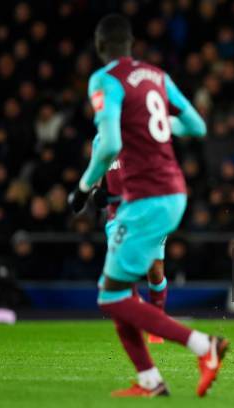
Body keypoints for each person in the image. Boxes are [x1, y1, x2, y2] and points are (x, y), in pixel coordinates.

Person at [68, 14, 227, 397]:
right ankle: (150, 381)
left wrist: (82, 187)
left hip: (146, 198)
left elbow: (106, 146)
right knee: (117, 293)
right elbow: (197, 127)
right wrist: (154, 128)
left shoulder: (105, 79)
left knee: (110, 296)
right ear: (132, 42)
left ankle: (205, 347)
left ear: (100, 46)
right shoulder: (157, 75)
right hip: (172, 191)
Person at [89, 134, 168, 344]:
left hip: (151, 212)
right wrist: (96, 191)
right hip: (119, 218)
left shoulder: (143, 132)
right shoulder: (100, 140)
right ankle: (144, 319)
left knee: (155, 268)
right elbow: (95, 176)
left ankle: (157, 321)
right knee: (123, 274)